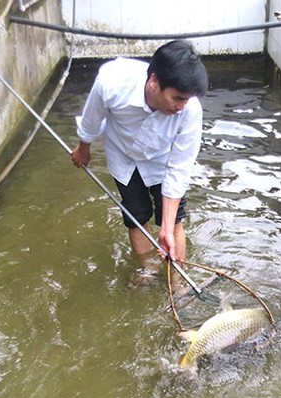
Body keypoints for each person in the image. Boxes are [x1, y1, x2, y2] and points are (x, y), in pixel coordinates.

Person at [71, 40, 209, 264]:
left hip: (162, 158)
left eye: (187, 99)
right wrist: (83, 148)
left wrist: (165, 228)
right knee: (136, 218)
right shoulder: (112, 82)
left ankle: (177, 283)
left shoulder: (190, 110)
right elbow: (92, 117)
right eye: (177, 98)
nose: (181, 106)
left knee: (174, 223)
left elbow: (180, 167)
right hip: (123, 154)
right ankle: (146, 271)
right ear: (154, 82)